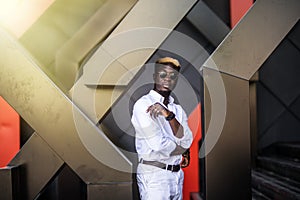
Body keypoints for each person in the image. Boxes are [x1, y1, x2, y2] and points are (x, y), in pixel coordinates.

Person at [131, 57, 193, 200]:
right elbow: (158, 145)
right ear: (155, 76)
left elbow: (187, 139)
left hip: (177, 175)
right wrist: (182, 148)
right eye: (163, 74)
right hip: (155, 175)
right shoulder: (143, 105)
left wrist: (169, 115)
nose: (168, 79)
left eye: (173, 76)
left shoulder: (177, 110)